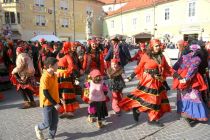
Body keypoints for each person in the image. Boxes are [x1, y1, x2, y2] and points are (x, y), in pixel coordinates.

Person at [119, 39, 174, 127]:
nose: (158, 47)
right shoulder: (146, 56)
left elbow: (168, 68)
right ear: (151, 46)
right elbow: (138, 68)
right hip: (148, 81)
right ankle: (144, 114)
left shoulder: (161, 56)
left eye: (159, 45)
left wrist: (178, 76)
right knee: (152, 100)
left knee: (157, 101)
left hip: (158, 81)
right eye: (156, 46)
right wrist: (130, 77)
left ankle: (144, 114)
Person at [173, 44, 209, 127]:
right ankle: (193, 116)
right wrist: (185, 79)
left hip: (181, 79)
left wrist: (177, 76)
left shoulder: (184, 56)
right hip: (191, 81)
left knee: (183, 96)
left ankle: (186, 113)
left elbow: (175, 67)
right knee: (195, 97)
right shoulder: (198, 59)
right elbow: (192, 70)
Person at [35, 57, 60, 140]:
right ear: (50, 66)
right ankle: (38, 127)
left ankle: (50, 137)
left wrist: (59, 98)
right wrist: (55, 104)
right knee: (47, 123)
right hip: (47, 103)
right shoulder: (45, 77)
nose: (58, 66)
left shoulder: (55, 75)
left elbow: (55, 89)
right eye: (56, 65)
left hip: (55, 101)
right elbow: (46, 93)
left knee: (55, 122)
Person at [56, 42, 79, 118]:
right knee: (60, 93)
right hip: (58, 76)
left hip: (64, 76)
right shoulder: (59, 55)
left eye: (65, 48)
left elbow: (71, 66)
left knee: (66, 94)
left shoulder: (67, 56)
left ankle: (68, 110)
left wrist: (67, 72)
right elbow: (56, 63)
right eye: (63, 47)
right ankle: (63, 110)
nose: (63, 49)